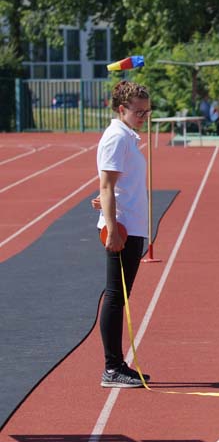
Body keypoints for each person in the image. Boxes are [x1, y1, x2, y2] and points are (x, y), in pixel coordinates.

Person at [96, 80, 153, 388]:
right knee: (116, 296)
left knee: (120, 296)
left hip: (131, 226)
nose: (144, 117)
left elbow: (116, 186)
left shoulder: (127, 136)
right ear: (121, 109)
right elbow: (106, 185)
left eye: (147, 112)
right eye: (138, 112)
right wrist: (112, 231)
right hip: (122, 229)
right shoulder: (117, 138)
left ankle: (116, 365)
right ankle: (112, 367)